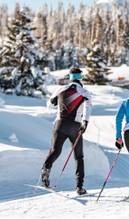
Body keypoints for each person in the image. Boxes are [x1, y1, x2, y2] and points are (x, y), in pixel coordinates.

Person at [41, 67, 92, 195]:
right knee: (78, 157)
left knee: (55, 151)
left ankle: (46, 168)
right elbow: (88, 107)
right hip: (75, 126)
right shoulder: (84, 92)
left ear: (70, 77)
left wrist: (60, 102)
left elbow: (49, 105)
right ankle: (79, 187)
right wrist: (85, 122)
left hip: (60, 124)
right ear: (80, 78)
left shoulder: (60, 89)